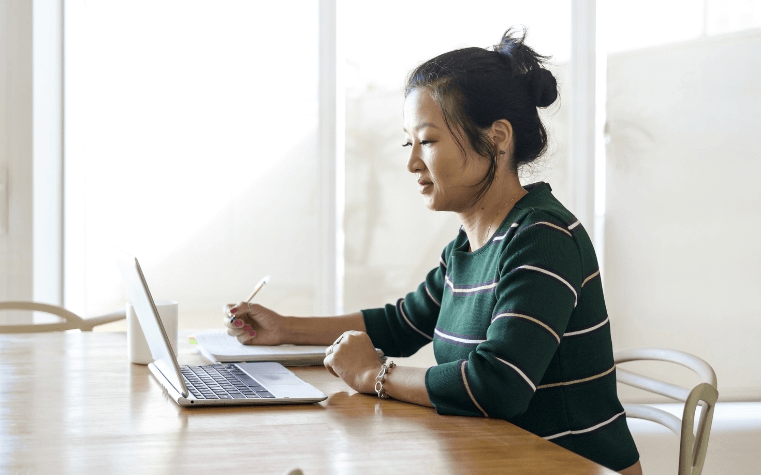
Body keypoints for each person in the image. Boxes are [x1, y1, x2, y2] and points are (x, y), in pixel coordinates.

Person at [223, 28, 642, 475]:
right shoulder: (468, 247)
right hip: (496, 459)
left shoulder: (543, 237)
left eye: (428, 140)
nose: (412, 162)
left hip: (570, 467)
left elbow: (498, 385)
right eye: (410, 143)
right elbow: (402, 324)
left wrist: (373, 376)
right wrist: (285, 328)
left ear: (498, 137)